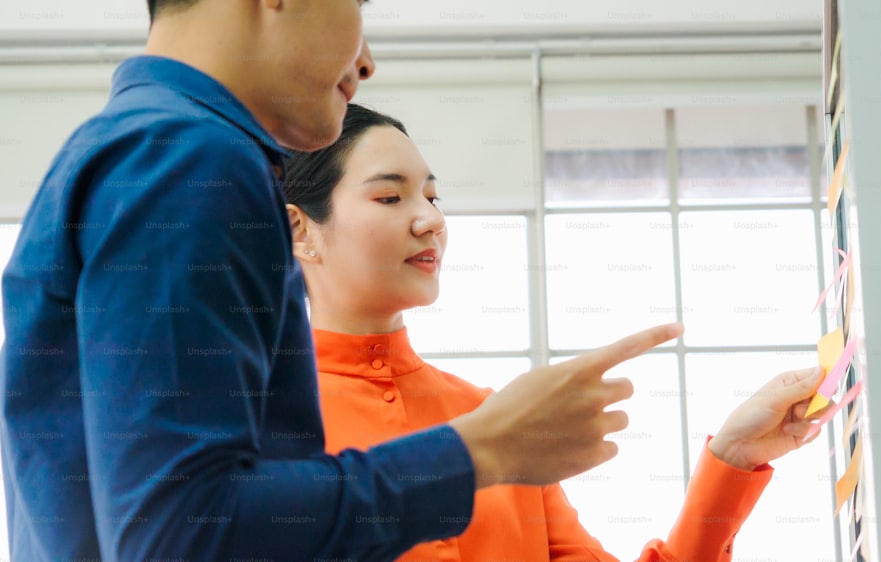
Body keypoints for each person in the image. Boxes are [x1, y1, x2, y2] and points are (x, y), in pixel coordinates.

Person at [0, 1, 680, 560]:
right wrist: (483, 450)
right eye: (359, 5)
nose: (366, 59)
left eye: (433, 197)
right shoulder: (187, 156)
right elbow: (178, 538)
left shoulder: (135, 147)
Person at [283, 104, 828, 562]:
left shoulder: (503, 419)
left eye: (432, 196)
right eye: (389, 197)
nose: (430, 218)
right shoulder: (252, 430)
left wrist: (732, 459)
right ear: (299, 229)